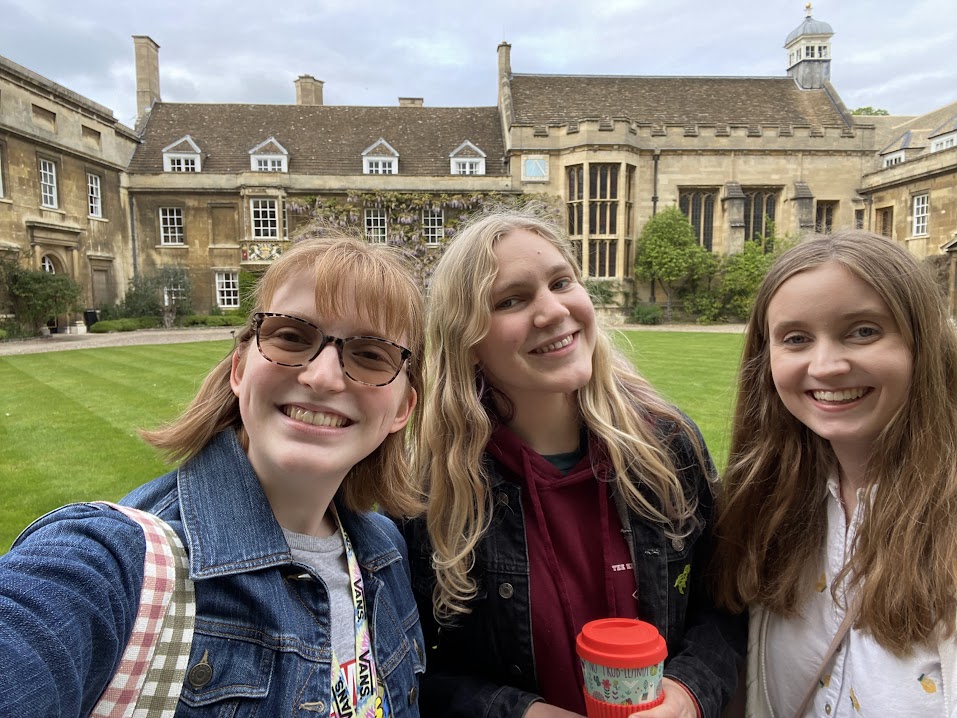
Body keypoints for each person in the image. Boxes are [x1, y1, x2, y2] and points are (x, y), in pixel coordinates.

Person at [0, 236, 426, 717]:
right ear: (240, 369)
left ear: (403, 409)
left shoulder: (385, 551)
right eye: (291, 336)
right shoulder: (116, 562)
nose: (323, 377)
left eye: (371, 354)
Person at [402, 207, 744, 718]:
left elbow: (724, 607)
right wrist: (520, 713)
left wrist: (687, 694)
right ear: (466, 340)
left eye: (561, 282)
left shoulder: (668, 447)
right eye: (511, 300)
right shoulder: (430, 488)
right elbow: (412, 666)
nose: (552, 312)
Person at [713, 231, 957, 717]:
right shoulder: (768, 504)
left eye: (863, 331)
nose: (825, 366)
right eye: (796, 339)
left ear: (922, 342)